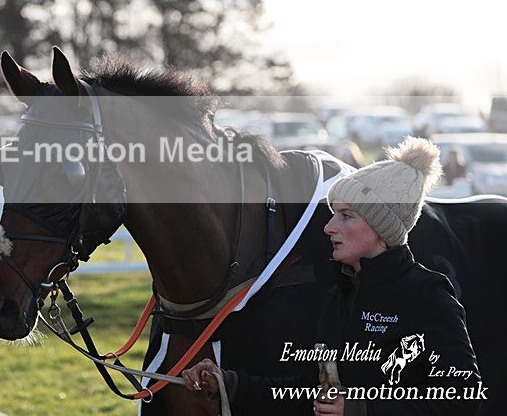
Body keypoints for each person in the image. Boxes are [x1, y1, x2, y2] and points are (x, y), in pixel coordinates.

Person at [182, 137, 481, 415]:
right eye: (333, 213)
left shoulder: (427, 295)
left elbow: (463, 397)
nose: (329, 227)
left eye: (346, 215)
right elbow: (312, 390)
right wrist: (228, 382)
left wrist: (360, 410)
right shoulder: (337, 295)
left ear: (382, 227)